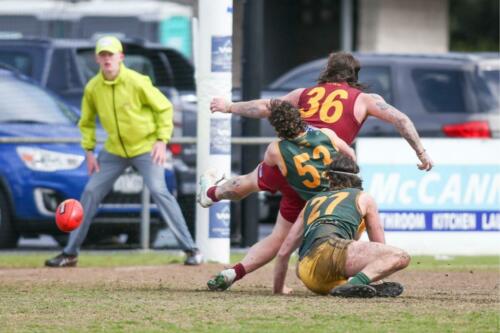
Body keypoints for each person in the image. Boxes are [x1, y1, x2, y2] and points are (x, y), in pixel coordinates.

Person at [45, 36, 202, 267]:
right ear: (97, 58)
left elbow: (164, 108)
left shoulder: (137, 81)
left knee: (160, 191)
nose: (107, 59)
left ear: (121, 57)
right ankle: (70, 253)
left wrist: (161, 140)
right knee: (90, 192)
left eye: (111, 54)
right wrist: (88, 151)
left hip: (146, 147)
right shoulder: (93, 88)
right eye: (103, 55)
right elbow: (86, 122)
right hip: (114, 150)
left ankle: (191, 250)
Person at [199, 100, 355, 290]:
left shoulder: (275, 150)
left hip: (301, 195)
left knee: (256, 189)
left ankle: (213, 195)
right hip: (331, 198)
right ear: (300, 116)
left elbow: (270, 163)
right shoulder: (326, 133)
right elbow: (350, 156)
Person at [273, 154, 410, 298]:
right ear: (356, 178)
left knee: (344, 256)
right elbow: (380, 246)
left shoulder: (312, 201)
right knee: (400, 256)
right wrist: (378, 274)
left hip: (306, 272)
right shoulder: (363, 197)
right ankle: (358, 283)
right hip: (331, 255)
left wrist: (278, 288)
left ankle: (354, 285)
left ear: (329, 179)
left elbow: (284, 252)